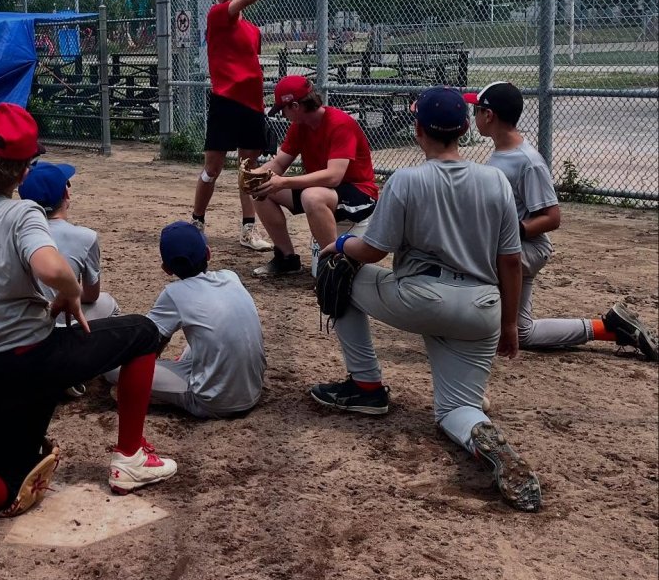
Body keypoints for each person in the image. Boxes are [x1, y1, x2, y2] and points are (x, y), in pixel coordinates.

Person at [0, 103, 176, 569]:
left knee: (6, 482)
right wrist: (67, 293)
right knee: (143, 332)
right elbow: (51, 267)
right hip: (40, 356)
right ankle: (129, 456)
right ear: (23, 171)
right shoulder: (21, 212)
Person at [308, 87, 542, 512]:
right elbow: (511, 262)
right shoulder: (494, 180)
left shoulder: (407, 180)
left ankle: (366, 386)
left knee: (333, 272)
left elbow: (373, 250)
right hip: (481, 310)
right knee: (456, 409)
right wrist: (510, 325)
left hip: (421, 298)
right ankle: (482, 436)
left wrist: (338, 246)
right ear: (466, 129)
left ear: (418, 131)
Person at [467, 81, 656, 361]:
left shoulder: (526, 161)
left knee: (465, 263)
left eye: (477, 109)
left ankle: (459, 326)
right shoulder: (503, 152)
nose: (474, 115)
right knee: (522, 333)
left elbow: (552, 217)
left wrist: (512, 230)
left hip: (526, 249)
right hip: (513, 248)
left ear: (489, 115)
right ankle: (610, 329)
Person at [191, 0, 310, 251]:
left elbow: (247, 62)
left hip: (251, 105)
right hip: (224, 101)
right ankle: (196, 222)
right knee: (213, 168)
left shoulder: (253, 31)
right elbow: (248, 1)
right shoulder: (217, 16)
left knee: (249, 168)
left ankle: (248, 230)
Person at [106, 221, 265, 419]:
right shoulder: (230, 276)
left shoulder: (174, 293)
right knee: (210, 337)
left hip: (212, 402)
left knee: (113, 369)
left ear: (166, 268)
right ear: (208, 253)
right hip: (253, 391)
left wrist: (142, 375)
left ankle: (157, 392)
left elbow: (149, 344)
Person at [249, 75, 378, 278]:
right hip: (325, 190)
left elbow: (334, 176)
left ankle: (332, 266)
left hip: (359, 193)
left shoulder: (339, 123)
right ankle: (286, 259)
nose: (282, 114)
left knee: (312, 196)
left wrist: (283, 182)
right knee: (261, 190)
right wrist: (255, 175)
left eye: (283, 109)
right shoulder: (300, 126)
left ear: (295, 106)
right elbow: (280, 163)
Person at [17, 161, 120, 323]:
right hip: (58, 324)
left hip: (22, 322)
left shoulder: (13, 231)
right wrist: (66, 292)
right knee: (108, 302)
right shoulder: (86, 236)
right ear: (66, 194)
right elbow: (92, 295)